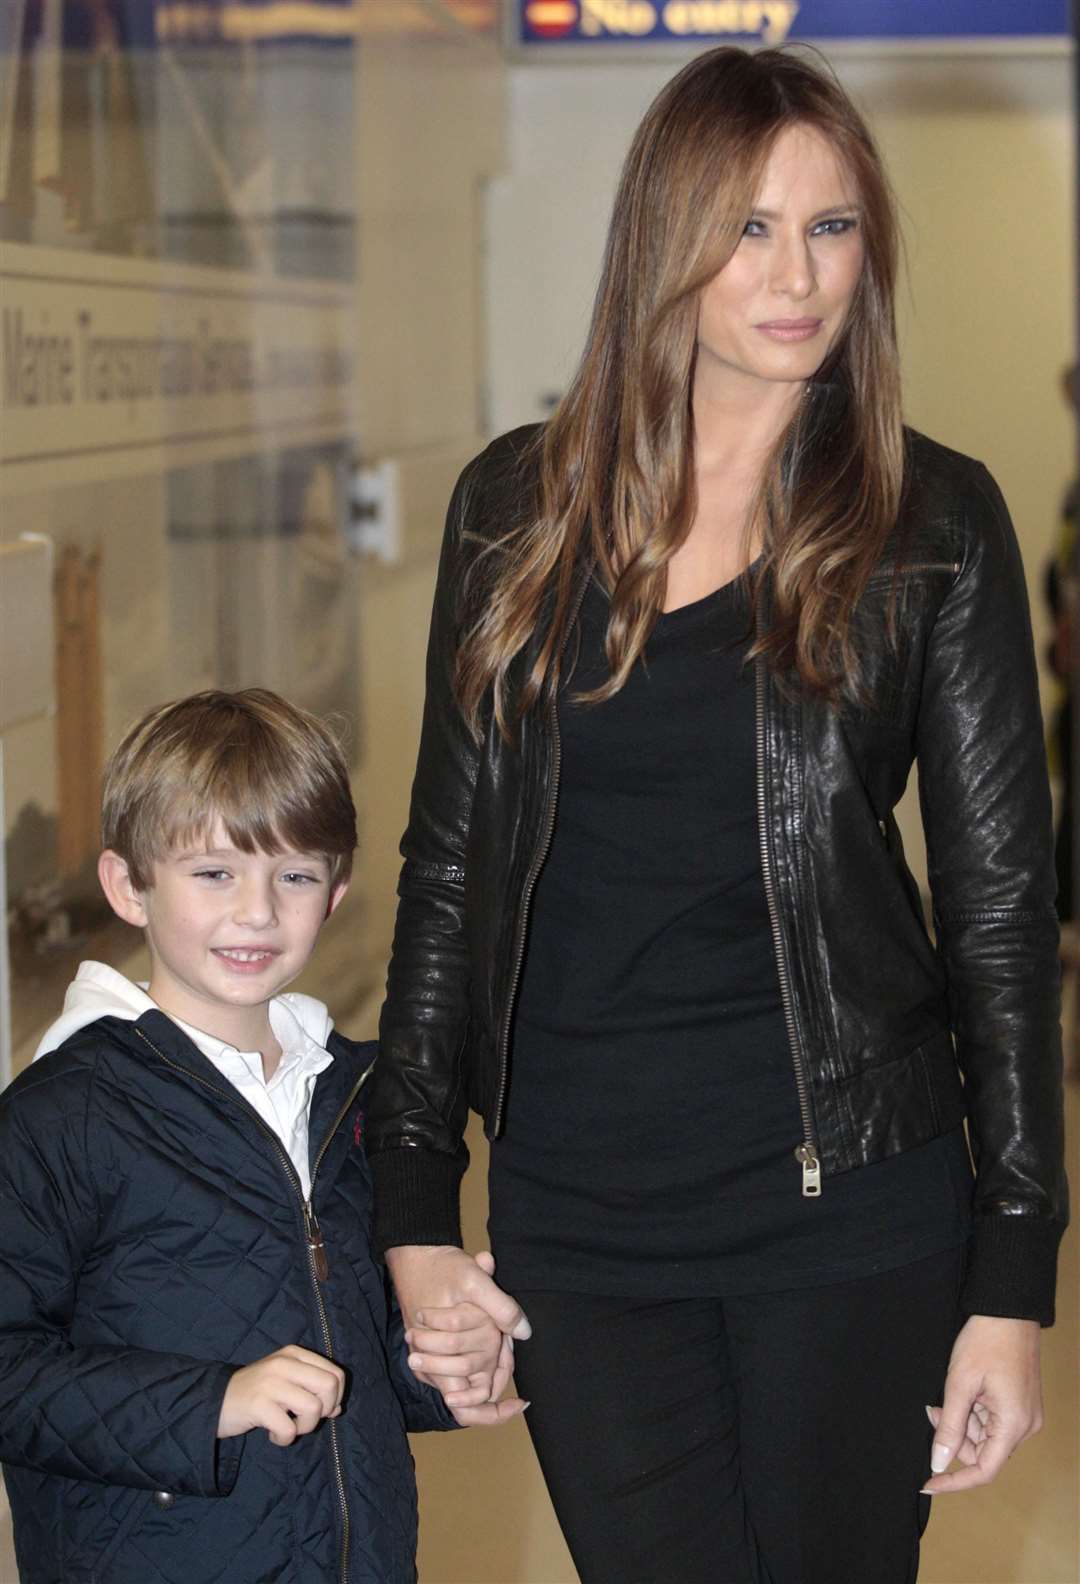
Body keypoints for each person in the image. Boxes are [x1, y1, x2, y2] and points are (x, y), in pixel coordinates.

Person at [367, 46, 1068, 1584]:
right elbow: (446, 875)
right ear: (664, 241)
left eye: (833, 228)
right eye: (750, 227)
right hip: (582, 1224)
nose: (799, 274)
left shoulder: (929, 524)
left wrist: (1014, 1282)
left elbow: (1000, 918)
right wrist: (413, 1213)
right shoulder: (514, 513)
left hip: (852, 1211)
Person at [0, 689, 520, 1584]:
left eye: (295, 875)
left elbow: (347, 1335)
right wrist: (212, 1403)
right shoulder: (63, 1112)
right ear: (129, 885)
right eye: (213, 874)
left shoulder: (351, 1094)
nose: (257, 911)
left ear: (337, 889)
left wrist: (441, 1365)